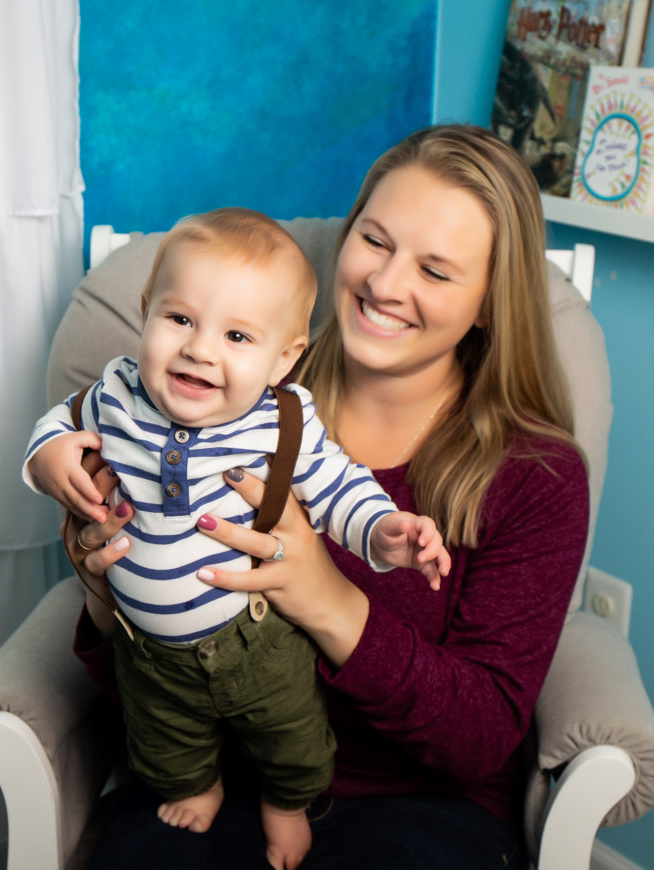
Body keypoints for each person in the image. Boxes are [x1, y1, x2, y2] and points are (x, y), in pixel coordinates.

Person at [66, 125, 590, 870]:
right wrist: (107, 598)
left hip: (421, 806)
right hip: (220, 779)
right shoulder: (217, 400)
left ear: (488, 304)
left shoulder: (536, 476)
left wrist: (327, 599)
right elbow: (149, 699)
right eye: (375, 241)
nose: (386, 284)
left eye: (435, 271)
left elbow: (479, 739)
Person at [23, 207, 450, 870]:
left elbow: (338, 484)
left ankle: (287, 803)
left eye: (237, 336)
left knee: (292, 734)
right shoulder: (116, 394)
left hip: (255, 638)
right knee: (162, 745)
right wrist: (48, 459)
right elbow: (57, 424)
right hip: (146, 649)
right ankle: (200, 786)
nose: (200, 349)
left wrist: (382, 530)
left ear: (284, 359)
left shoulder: (281, 422)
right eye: (180, 319)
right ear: (146, 312)